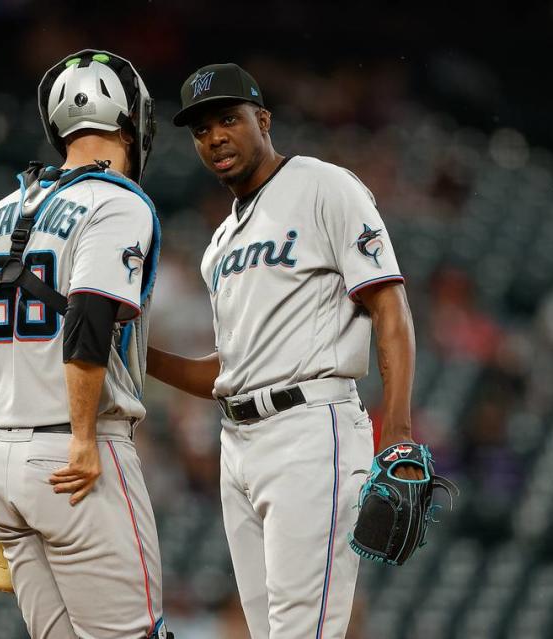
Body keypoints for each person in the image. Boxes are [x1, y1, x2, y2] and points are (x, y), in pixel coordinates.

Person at [147, 63, 423, 639]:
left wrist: (394, 427)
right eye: (201, 130)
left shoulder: (323, 185)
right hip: (238, 445)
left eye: (228, 119)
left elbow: (389, 307)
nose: (215, 137)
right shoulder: (219, 243)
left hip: (309, 428)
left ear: (263, 120)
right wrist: (137, 354)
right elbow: (231, 371)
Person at [0, 50, 170, 639]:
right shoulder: (118, 201)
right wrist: (81, 439)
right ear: (132, 122)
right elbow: (89, 319)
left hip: (3, 461)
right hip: (78, 456)